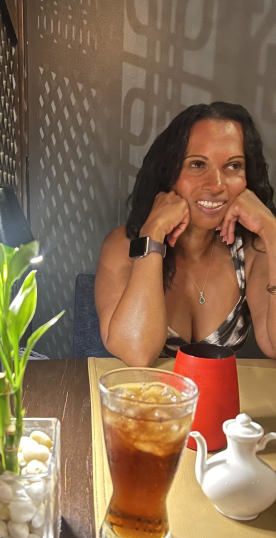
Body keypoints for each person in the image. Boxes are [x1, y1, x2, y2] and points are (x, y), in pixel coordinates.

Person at [95, 101, 276, 365]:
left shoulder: (252, 249)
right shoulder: (123, 245)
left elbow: (274, 345)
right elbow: (137, 353)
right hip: (148, 392)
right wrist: (153, 232)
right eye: (197, 164)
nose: (216, 185)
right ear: (169, 172)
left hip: (222, 393)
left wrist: (271, 230)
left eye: (233, 166)